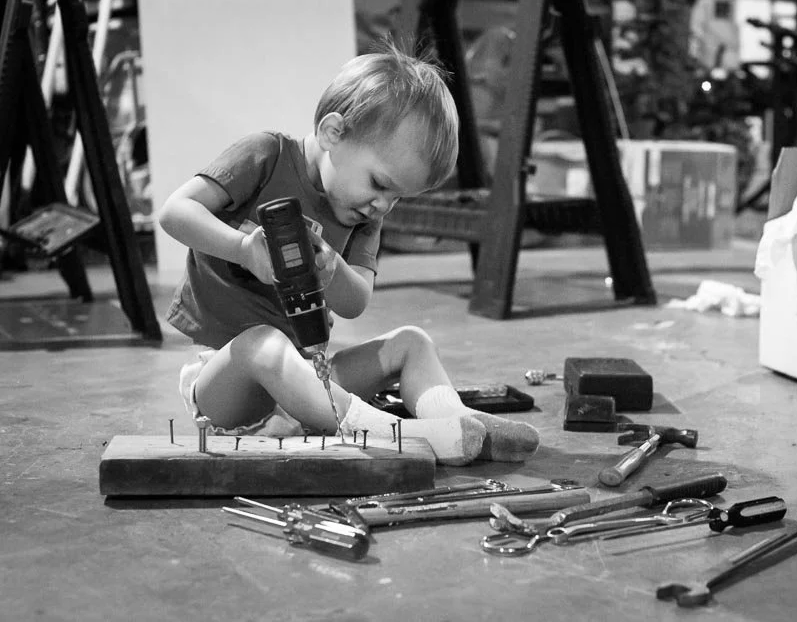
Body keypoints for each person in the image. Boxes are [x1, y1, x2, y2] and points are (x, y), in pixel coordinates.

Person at [158, 43, 540, 466]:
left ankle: (455, 424)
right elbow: (175, 213)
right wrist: (243, 249)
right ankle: (394, 433)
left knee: (412, 342)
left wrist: (332, 270)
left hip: (313, 380)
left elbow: (354, 301)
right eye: (379, 183)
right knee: (262, 345)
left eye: (398, 197)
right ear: (333, 133)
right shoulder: (265, 156)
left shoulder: (363, 215)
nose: (384, 205)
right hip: (231, 390)